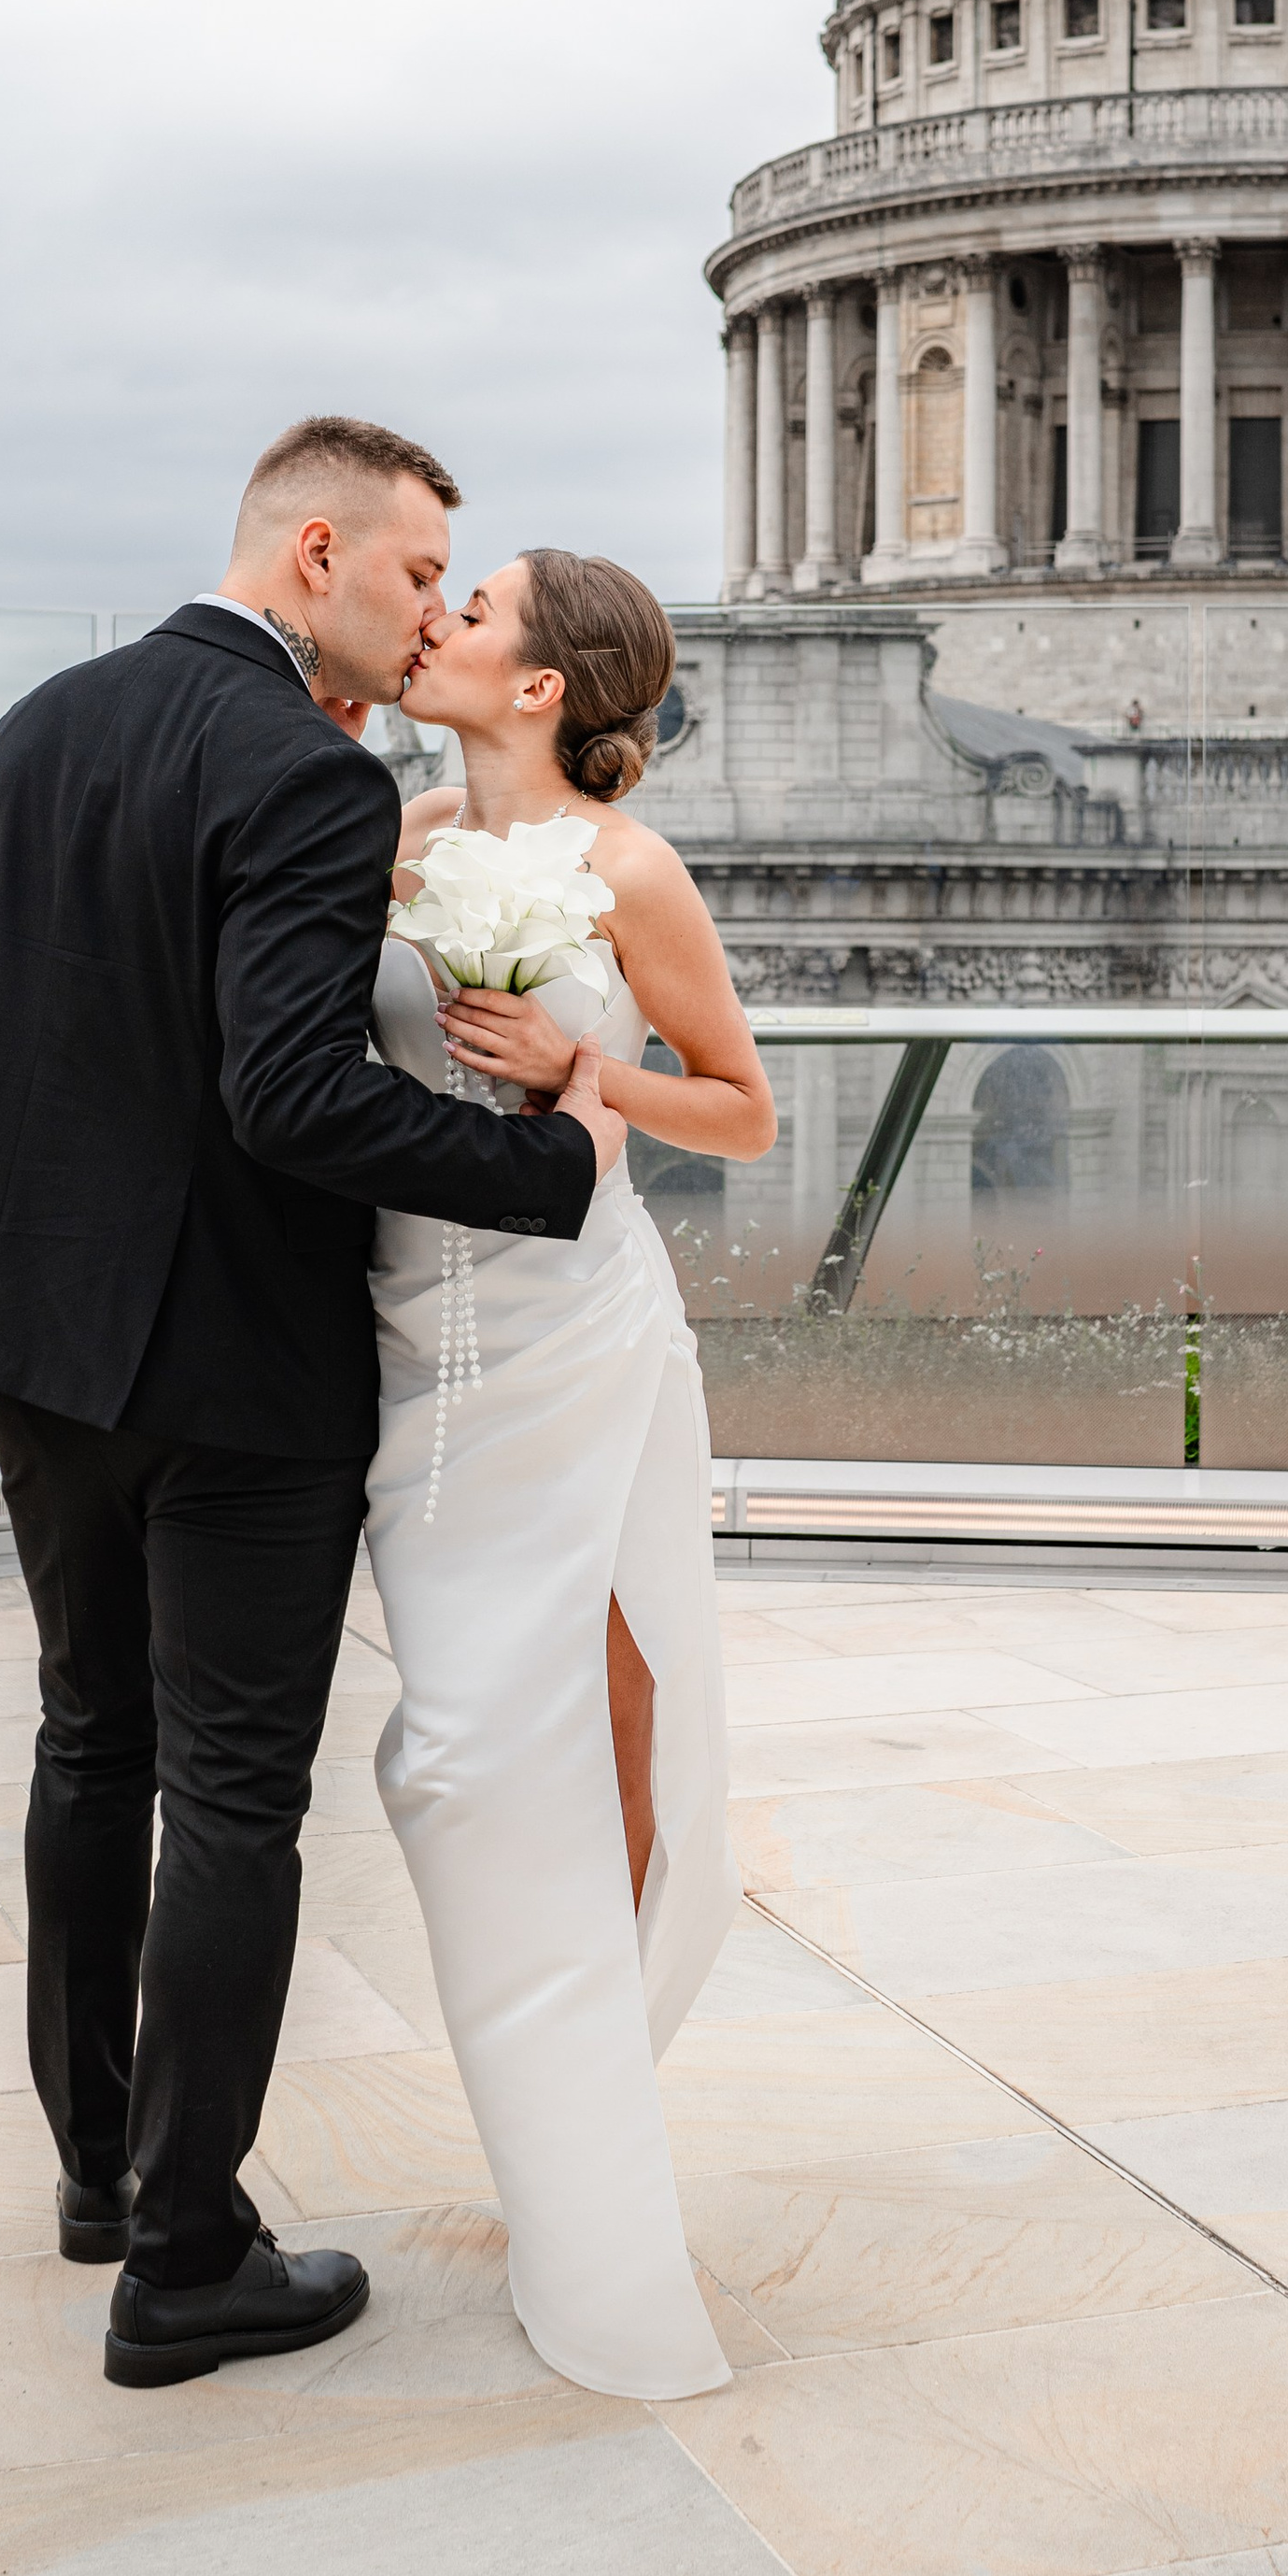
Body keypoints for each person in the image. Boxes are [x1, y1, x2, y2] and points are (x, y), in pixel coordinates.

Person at [0, 419, 627, 2390]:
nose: (427, 617)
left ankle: (96, 2174)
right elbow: (292, 1098)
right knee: (233, 1800)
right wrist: (549, 1166)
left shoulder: (32, 733)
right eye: (417, 575)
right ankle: (186, 2258)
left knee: (88, 1741)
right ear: (318, 552)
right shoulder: (305, 772)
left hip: (32, 1338)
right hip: (233, 1365)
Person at [367, 545, 775, 2398]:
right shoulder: (396, 841)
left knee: (583, 1732)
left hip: (580, 1333)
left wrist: (576, 1070)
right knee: (453, 1758)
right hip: (409, 1339)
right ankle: (559, 2101)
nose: (438, 622)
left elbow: (742, 1111)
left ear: (541, 684)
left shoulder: (633, 870)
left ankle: (588, 2136)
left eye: (476, 609)